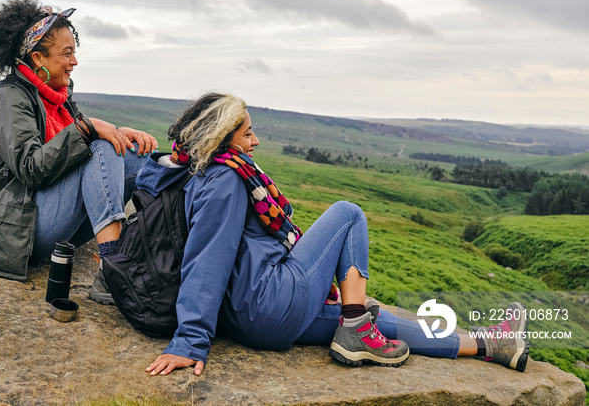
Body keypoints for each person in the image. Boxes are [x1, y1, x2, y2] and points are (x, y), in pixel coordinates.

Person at [141, 92, 530, 376]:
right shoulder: (226, 177)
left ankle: (490, 344)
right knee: (348, 213)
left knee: (370, 314)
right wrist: (190, 341)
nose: (255, 141)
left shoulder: (190, 170)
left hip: (248, 315)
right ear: (223, 139)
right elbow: (207, 257)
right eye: (247, 134)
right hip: (267, 302)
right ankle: (356, 328)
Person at [0, 0, 157, 302]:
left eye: (74, 52)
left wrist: (117, 133)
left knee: (136, 156)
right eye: (67, 53)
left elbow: (76, 146)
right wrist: (89, 129)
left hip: (49, 218)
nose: (74, 61)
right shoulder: (8, 98)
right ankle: (112, 267)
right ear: (37, 58)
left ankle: (157, 254)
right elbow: (31, 169)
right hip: (15, 229)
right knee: (100, 145)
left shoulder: (56, 98)